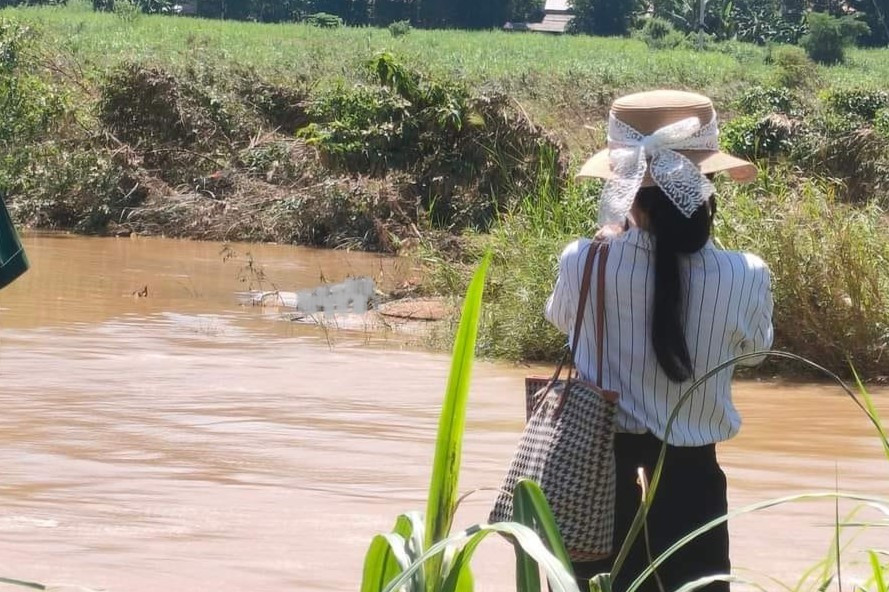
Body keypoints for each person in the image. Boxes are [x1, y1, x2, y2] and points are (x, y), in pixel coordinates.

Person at [544, 90, 774, 592]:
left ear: (628, 189)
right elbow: (755, 353)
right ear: (707, 185)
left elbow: (564, 321)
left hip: (600, 474)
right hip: (694, 479)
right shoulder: (748, 273)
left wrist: (612, 242)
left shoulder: (583, 261)